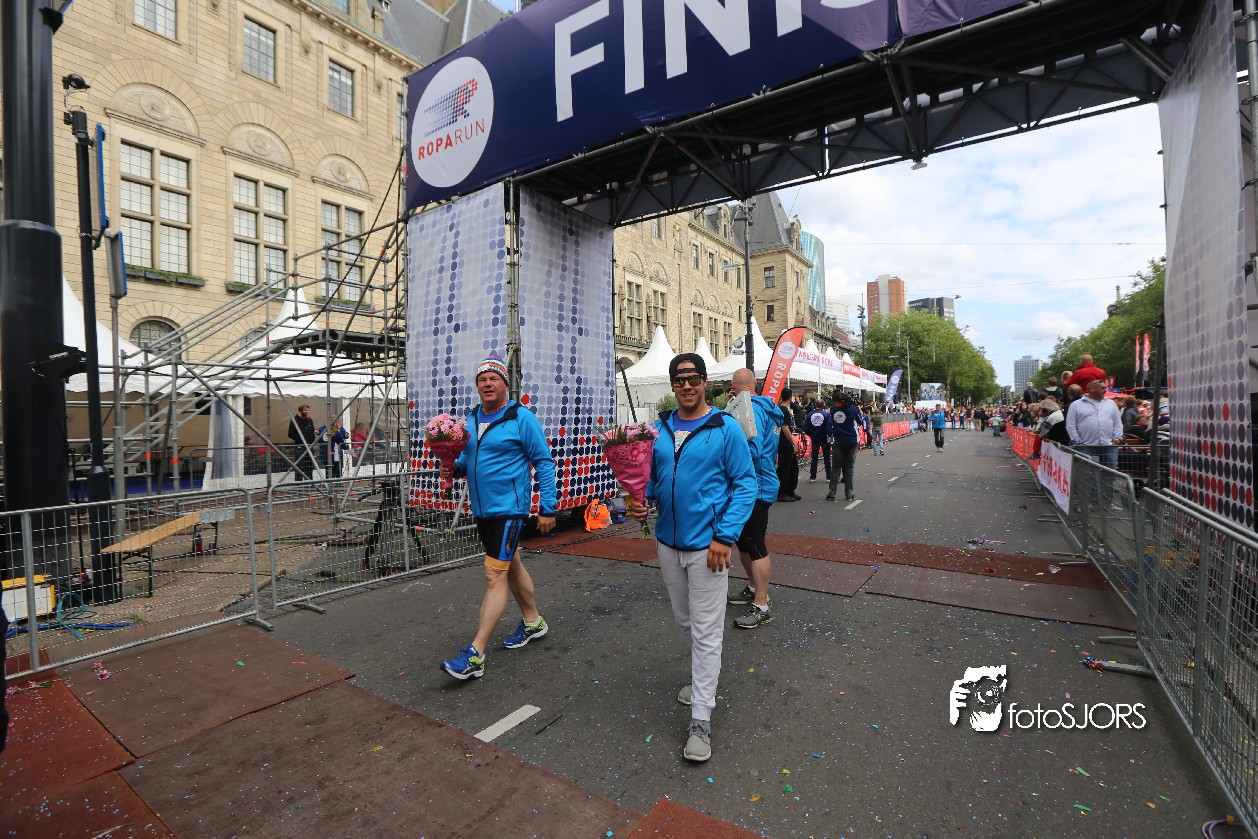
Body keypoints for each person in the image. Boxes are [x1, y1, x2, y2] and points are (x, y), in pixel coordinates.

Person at [628, 353, 755, 762]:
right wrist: (642, 500)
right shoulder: (659, 429)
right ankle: (705, 679)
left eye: (694, 378)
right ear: (672, 385)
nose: (687, 385)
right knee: (686, 622)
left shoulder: (725, 428)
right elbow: (653, 478)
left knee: (706, 631)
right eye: (680, 379)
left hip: (708, 548)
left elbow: (746, 484)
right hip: (668, 544)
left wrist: (725, 536)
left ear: (705, 383)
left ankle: (701, 717)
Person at [440, 354, 558, 681]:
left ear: (505, 384)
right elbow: (468, 462)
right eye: (482, 379)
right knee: (511, 565)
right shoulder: (470, 419)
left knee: (494, 575)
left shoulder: (521, 417)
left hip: (509, 510)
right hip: (482, 510)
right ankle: (533, 621)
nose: (488, 384)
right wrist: (452, 466)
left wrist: (547, 507)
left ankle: (475, 654)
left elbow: (543, 462)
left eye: (494, 378)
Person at [726, 368, 782, 630]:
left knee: (755, 545)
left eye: (733, 386)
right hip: (755, 484)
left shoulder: (753, 409)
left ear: (734, 387)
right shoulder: (763, 407)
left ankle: (762, 605)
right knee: (744, 543)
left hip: (755, 486)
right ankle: (752, 588)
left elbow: (752, 448)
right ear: (755, 384)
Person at [1066, 379, 1124, 472]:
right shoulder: (1076, 405)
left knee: (1110, 474)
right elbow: (1070, 425)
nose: (1105, 390)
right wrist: (1078, 442)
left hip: (1108, 446)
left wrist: (1117, 438)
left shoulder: (1111, 404)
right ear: (1092, 389)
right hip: (1085, 446)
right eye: (1102, 388)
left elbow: (1118, 423)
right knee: (1085, 473)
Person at [826, 390, 862, 502]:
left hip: (838, 440)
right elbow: (860, 421)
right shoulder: (851, 408)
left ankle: (831, 494)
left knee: (835, 468)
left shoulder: (833, 409)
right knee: (849, 467)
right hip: (851, 440)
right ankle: (849, 494)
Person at [775, 387, 800, 502]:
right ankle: (782, 492)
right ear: (790, 397)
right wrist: (794, 442)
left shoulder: (779, 409)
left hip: (782, 441)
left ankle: (790, 490)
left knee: (793, 467)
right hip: (785, 442)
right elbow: (785, 428)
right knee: (785, 468)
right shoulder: (784, 411)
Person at [804, 399, 832, 481]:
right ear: (823, 406)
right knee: (827, 457)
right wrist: (829, 435)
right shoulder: (826, 415)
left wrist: (811, 434)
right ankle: (828, 476)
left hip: (814, 437)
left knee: (814, 457)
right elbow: (829, 428)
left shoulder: (810, 414)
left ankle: (813, 476)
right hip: (824, 437)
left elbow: (806, 428)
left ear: (816, 405)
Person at [287, 404, 317, 480]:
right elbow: (290, 434)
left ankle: (309, 482)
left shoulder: (309, 420)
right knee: (299, 465)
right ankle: (298, 483)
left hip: (309, 446)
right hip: (300, 447)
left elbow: (312, 430)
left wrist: (314, 433)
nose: (307, 412)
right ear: (301, 410)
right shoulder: (294, 421)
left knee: (309, 465)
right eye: (305, 410)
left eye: (308, 410)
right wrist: (302, 440)